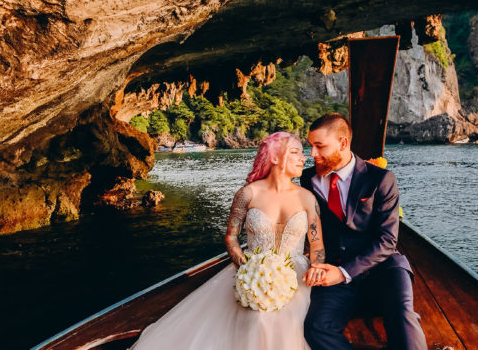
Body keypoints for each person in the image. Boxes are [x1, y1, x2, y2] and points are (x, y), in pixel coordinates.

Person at [130, 131, 325, 350]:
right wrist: (247, 269)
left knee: (286, 321)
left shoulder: (307, 198)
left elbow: (316, 244)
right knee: (256, 317)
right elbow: (231, 237)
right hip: (251, 273)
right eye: (296, 152)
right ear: (275, 157)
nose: (303, 158)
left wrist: (316, 266)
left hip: (297, 274)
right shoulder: (247, 194)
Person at [301, 114, 427, 350]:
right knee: (317, 327)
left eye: (320, 146)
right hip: (334, 270)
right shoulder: (308, 179)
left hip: (383, 268)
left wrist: (344, 272)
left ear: (342, 143)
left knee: (402, 317)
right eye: (311, 146)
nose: (313, 154)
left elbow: (388, 241)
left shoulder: (381, 179)